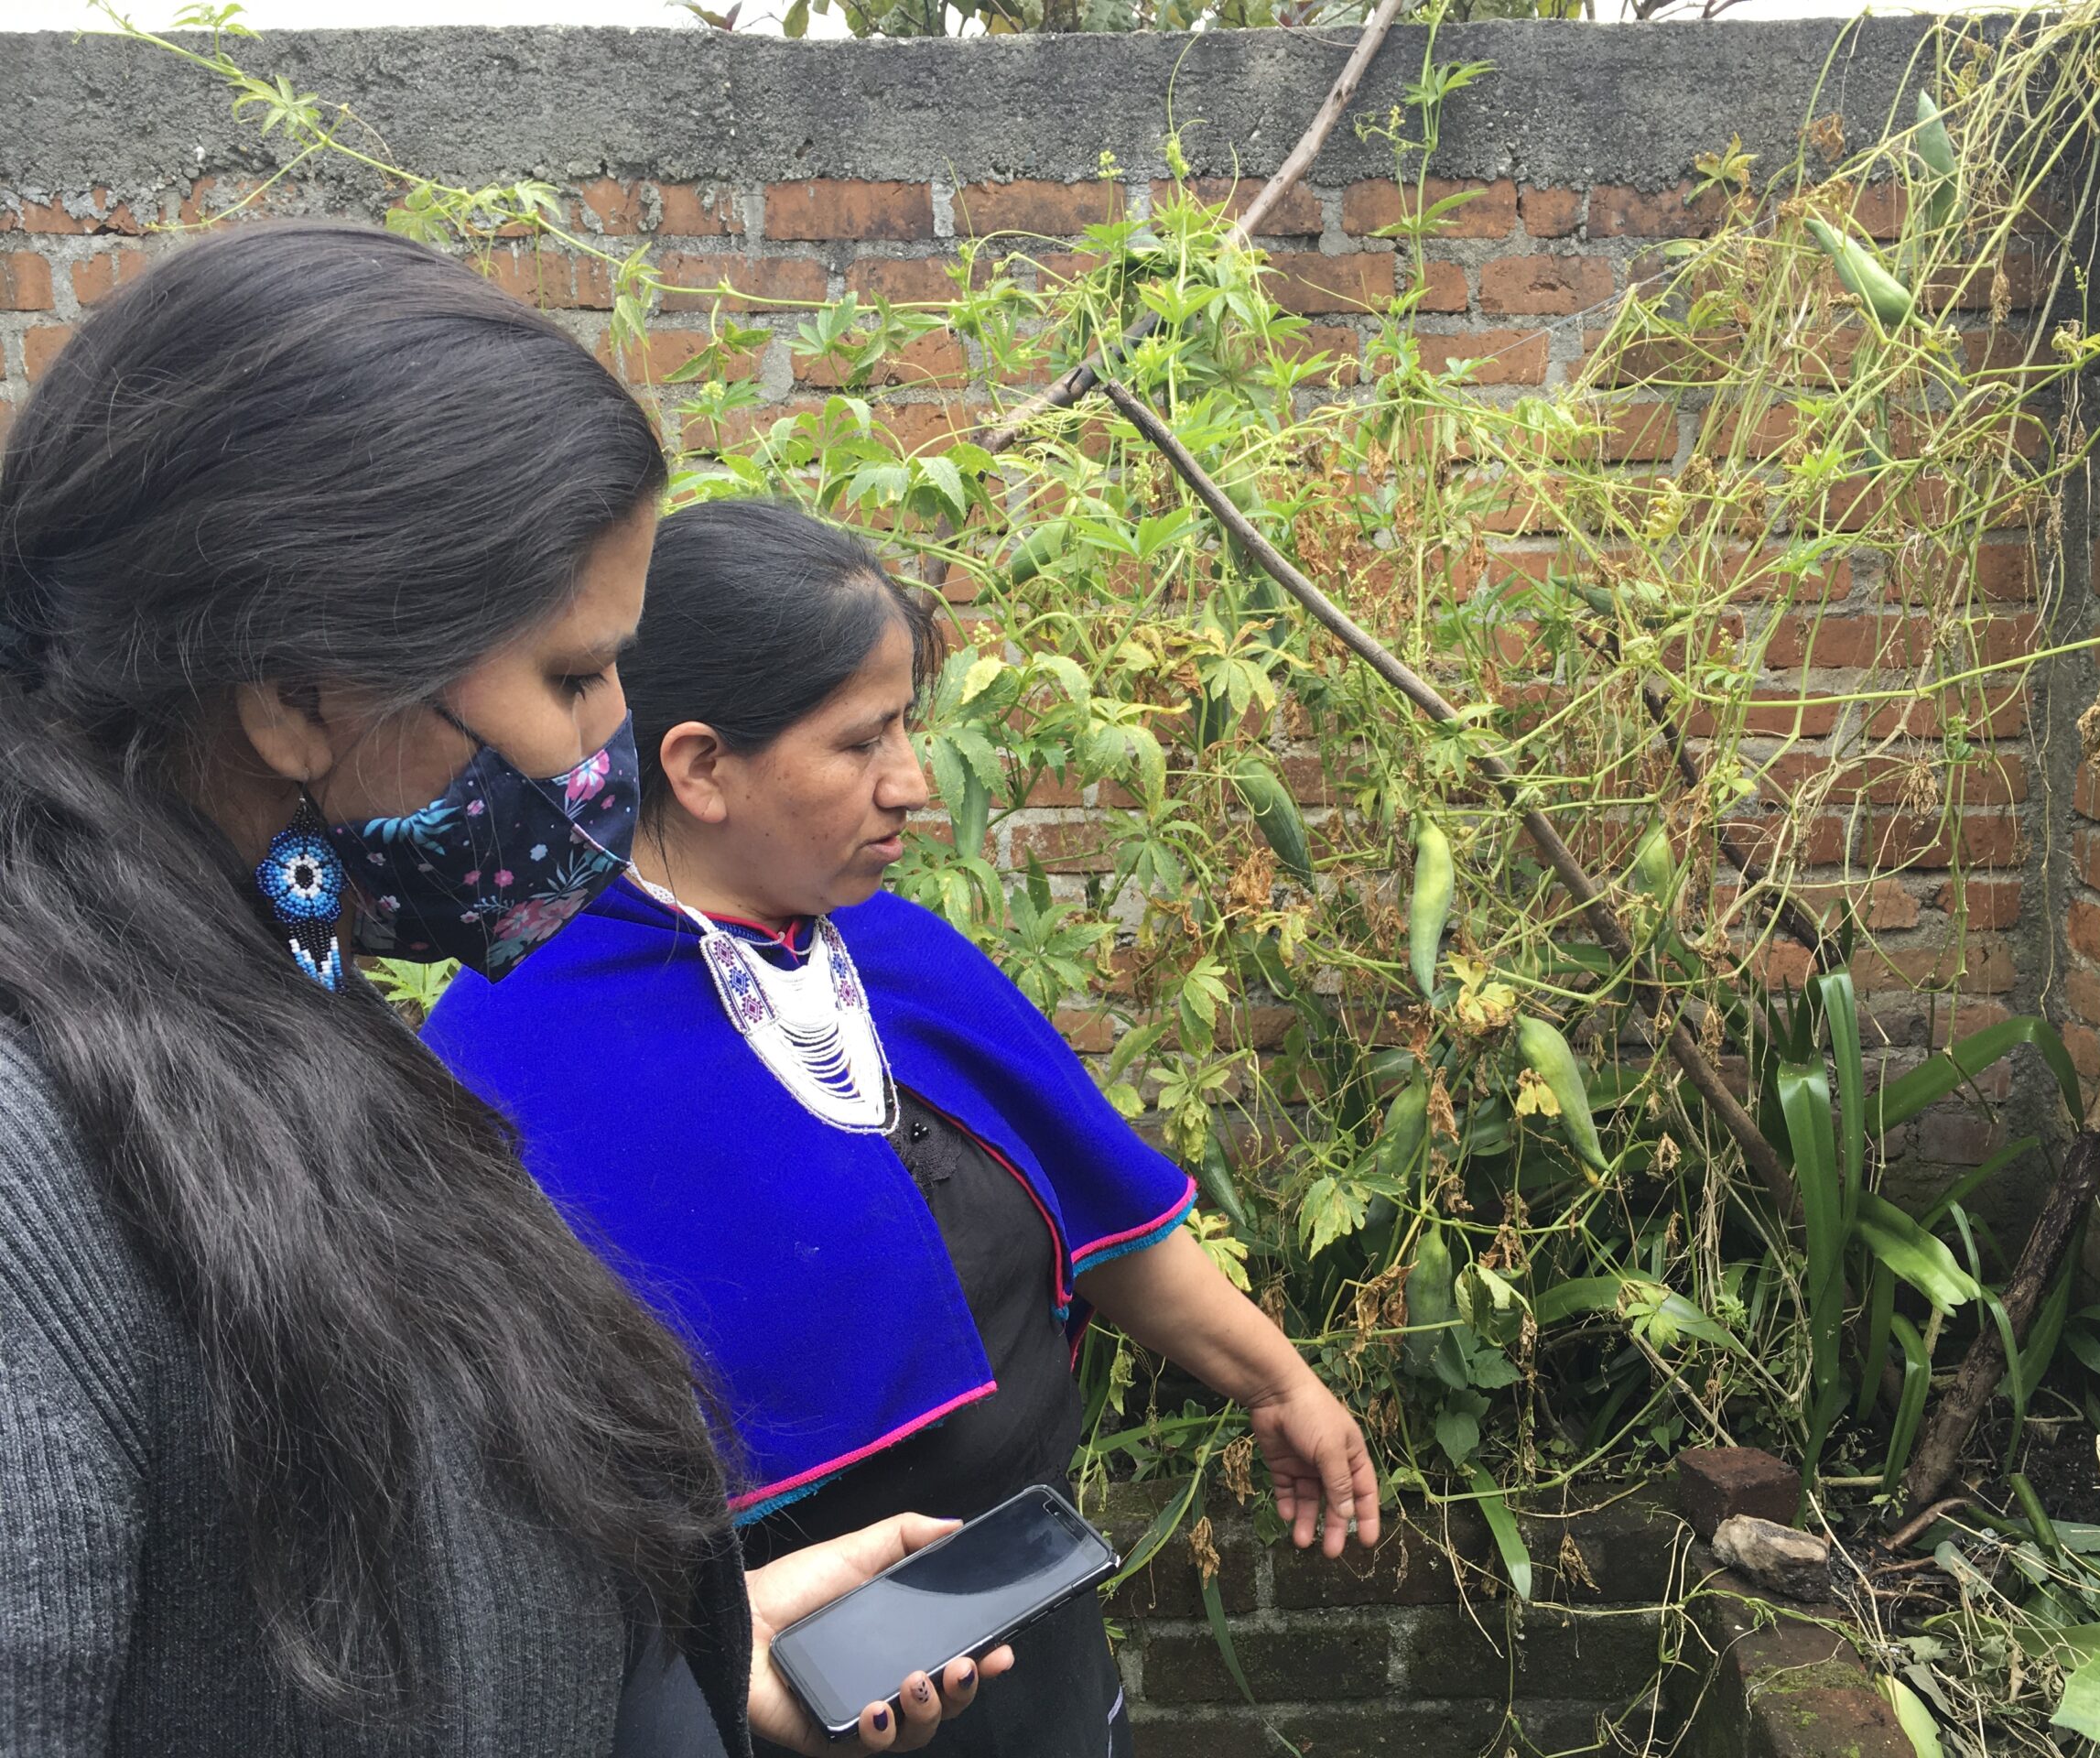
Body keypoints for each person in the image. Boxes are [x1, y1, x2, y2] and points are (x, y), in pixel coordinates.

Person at [0, 222, 1006, 1757]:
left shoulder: (278, 989)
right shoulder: (35, 1163)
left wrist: (687, 1654)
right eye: (570, 679)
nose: (611, 740)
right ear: (296, 693)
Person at [424, 497, 1383, 1758]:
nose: (914, 784)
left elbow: (1098, 1211)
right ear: (702, 767)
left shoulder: (897, 957)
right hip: (757, 1702)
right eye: (862, 740)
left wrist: (1279, 1382)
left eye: (906, 731)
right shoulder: (508, 1053)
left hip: (1024, 1632)